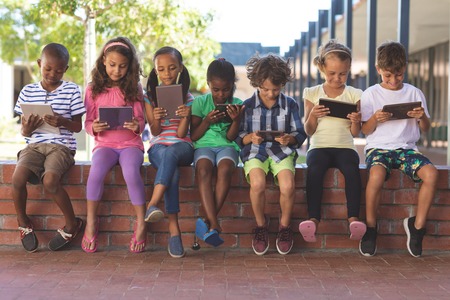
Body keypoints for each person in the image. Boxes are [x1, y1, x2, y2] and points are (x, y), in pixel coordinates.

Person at [360, 41, 438, 257]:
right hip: (379, 148)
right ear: (378, 70)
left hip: (407, 149)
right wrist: (375, 118)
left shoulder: (414, 93)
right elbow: (364, 130)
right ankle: (371, 228)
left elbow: (426, 129)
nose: (393, 81)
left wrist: (421, 117)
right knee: (375, 175)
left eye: (399, 75)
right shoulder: (370, 94)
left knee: (431, 174)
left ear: (404, 69)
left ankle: (417, 227)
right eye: (387, 76)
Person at [12, 43, 85, 252]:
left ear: (66, 69)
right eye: (48, 69)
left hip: (61, 146)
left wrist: (62, 121)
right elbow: (24, 132)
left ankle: (72, 224)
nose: (53, 74)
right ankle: (23, 222)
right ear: (39, 64)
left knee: (50, 180)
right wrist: (27, 129)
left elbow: (77, 126)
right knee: (17, 179)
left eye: (59, 70)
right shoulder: (28, 91)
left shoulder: (71, 90)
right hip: (34, 145)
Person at [237, 54, 307, 255]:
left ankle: (285, 227)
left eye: (275, 89)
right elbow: (239, 136)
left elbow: (299, 134)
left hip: (281, 151)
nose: (270, 93)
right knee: (257, 184)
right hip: (255, 151)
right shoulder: (247, 106)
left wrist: (290, 139)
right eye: (265, 89)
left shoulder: (290, 104)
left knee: (288, 185)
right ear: (256, 83)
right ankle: (261, 226)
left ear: (283, 84)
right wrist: (250, 137)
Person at [82, 37, 147, 253]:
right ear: (103, 62)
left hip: (130, 143)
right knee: (96, 173)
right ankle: (91, 222)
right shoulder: (93, 89)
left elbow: (141, 121)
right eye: (112, 65)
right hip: (105, 145)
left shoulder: (134, 88)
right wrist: (95, 128)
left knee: (130, 172)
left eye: (122, 66)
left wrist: (135, 125)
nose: (117, 71)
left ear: (130, 67)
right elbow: (88, 122)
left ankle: (141, 222)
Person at [299, 40, 366, 244]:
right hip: (319, 146)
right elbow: (308, 131)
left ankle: (353, 218)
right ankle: (313, 220)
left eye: (342, 74)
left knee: (352, 170)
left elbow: (356, 132)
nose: (337, 78)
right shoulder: (312, 93)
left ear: (348, 71)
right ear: (322, 69)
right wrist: (312, 115)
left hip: (345, 146)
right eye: (332, 74)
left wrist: (356, 121)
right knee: (315, 171)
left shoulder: (355, 94)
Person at [144, 46, 194, 258]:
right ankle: (175, 231)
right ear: (155, 71)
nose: (167, 74)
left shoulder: (189, 97)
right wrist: (155, 117)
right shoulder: (149, 98)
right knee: (169, 165)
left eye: (172, 68)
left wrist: (185, 116)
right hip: (158, 146)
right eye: (161, 69)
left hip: (182, 146)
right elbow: (155, 131)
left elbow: (183, 134)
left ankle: (153, 203)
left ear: (180, 68)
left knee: (172, 152)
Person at [190, 58, 244, 247]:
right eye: (216, 90)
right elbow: (194, 135)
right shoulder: (199, 103)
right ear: (208, 85)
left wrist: (236, 120)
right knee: (203, 170)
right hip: (203, 145)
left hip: (226, 146)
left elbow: (230, 138)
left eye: (226, 89)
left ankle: (207, 221)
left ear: (232, 86)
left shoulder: (237, 104)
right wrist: (207, 121)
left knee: (225, 170)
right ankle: (214, 223)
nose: (221, 95)